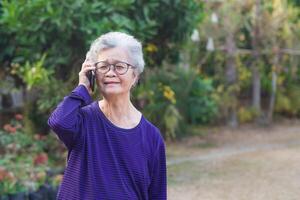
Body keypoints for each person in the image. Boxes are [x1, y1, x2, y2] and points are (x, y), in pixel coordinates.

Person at [47, 32, 167, 200]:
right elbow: (59, 122)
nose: (110, 73)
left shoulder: (151, 137)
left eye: (119, 66)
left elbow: (157, 194)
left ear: (135, 76)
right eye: (103, 66)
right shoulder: (83, 121)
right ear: (93, 73)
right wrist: (83, 87)